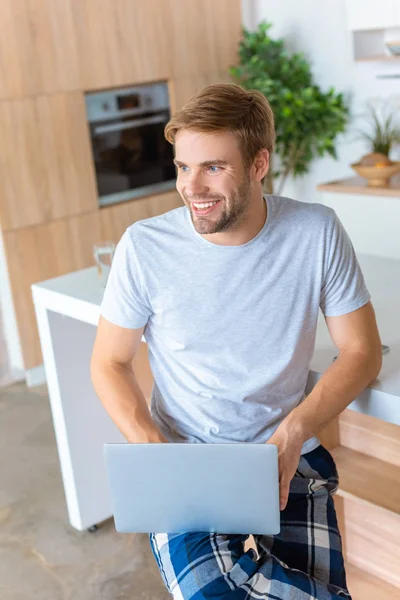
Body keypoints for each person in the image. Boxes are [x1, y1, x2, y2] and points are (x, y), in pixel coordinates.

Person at [91, 83, 382, 599]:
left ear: (258, 164)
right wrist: (159, 456)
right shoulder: (144, 246)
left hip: (289, 452)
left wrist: (292, 434)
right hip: (187, 456)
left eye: (213, 167)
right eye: (183, 167)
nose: (192, 187)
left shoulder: (316, 232)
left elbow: (360, 352)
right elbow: (109, 362)